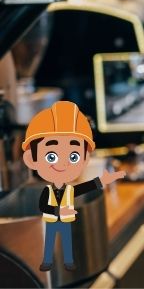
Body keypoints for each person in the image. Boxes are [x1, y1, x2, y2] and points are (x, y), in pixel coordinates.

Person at [21, 101, 125, 272]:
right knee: (50, 243)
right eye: (52, 156)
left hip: (66, 222)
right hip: (52, 222)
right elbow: (44, 206)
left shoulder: (70, 188)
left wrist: (103, 180)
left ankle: (68, 261)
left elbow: (85, 188)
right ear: (32, 160)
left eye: (73, 157)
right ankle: (48, 260)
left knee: (66, 241)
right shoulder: (47, 190)